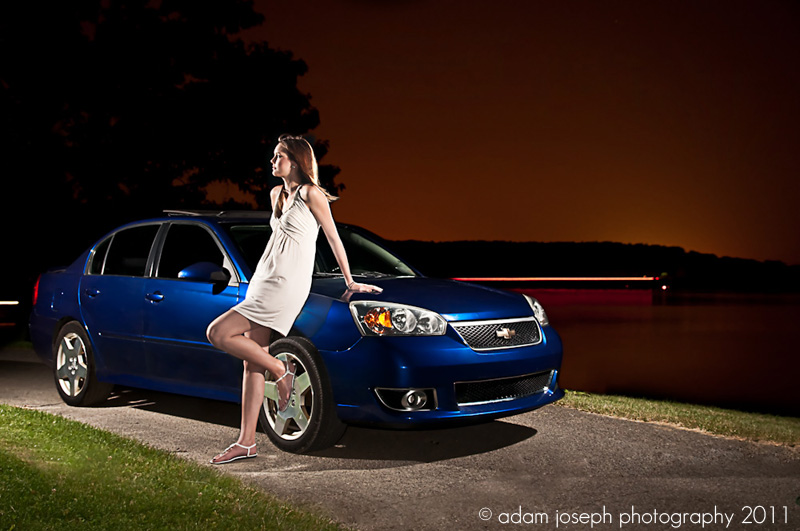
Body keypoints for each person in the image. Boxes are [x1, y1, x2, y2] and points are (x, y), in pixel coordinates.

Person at [206, 134, 382, 464]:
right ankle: (246, 442)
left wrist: (350, 280)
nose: (272, 161)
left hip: (286, 284)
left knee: (217, 333)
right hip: (263, 279)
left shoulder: (311, 194)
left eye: (278, 156)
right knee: (251, 361)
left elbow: (333, 238)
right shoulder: (276, 194)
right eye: (273, 156)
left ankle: (280, 369)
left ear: (296, 161)